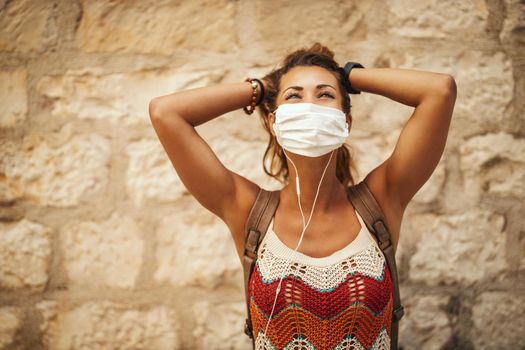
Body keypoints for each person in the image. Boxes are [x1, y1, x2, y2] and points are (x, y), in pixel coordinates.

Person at [148, 42, 457, 349]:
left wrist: (347, 76)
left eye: (325, 95)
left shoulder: (381, 199)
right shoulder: (247, 210)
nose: (309, 105)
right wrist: (260, 88)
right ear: (274, 121)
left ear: (345, 122)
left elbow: (439, 91)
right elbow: (166, 112)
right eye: (294, 96)